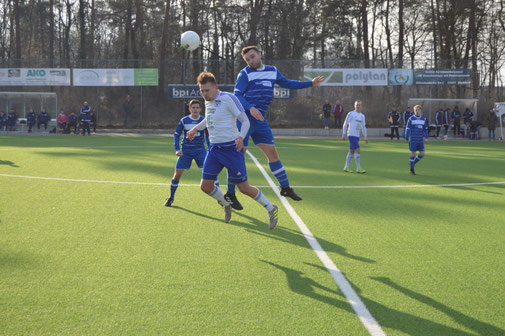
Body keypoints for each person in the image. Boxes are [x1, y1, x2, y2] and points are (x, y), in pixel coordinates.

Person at [226, 45, 324, 209]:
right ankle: (230, 193)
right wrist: (250, 107)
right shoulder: (244, 73)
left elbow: (288, 83)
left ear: (260, 54)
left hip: (260, 120)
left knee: (273, 154)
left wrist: (310, 83)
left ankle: (285, 188)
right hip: (244, 119)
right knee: (238, 157)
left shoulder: (272, 70)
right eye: (247, 59)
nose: (250, 60)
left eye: (252, 56)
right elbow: (237, 95)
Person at [187, 72, 279, 229]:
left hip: (231, 150)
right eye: (202, 91)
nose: (204, 94)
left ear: (216, 87)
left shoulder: (228, 99)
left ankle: (271, 208)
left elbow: (245, 121)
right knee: (205, 186)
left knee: (244, 188)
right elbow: (208, 119)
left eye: (207, 90)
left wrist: (241, 138)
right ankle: (225, 204)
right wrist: (195, 129)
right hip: (215, 150)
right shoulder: (208, 102)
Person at [165, 100, 210, 207]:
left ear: (200, 109)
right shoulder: (184, 120)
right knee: (177, 176)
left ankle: (220, 199)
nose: (195, 109)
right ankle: (171, 197)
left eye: (197, 107)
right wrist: (177, 149)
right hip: (186, 152)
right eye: (193, 107)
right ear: (189, 109)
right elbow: (176, 135)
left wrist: (210, 149)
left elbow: (208, 135)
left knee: (211, 173)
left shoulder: (204, 120)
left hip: (200, 151)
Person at [342, 100, 368, 173]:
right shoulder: (351, 114)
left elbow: (363, 127)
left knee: (351, 151)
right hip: (351, 134)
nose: (358, 106)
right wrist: (344, 133)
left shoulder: (362, 116)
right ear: (354, 106)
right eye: (357, 105)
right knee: (358, 150)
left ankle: (346, 167)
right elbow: (345, 123)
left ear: (361, 106)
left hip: (357, 136)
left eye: (359, 105)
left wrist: (365, 136)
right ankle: (358, 168)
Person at [405, 105, 429, 175]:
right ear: (414, 111)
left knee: (422, 154)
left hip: (420, 140)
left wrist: (426, 137)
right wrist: (406, 137)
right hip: (413, 139)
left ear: (421, 111)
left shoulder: (423, 119)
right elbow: (408, 129)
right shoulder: (411, 119)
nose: (417, 111)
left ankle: (412, 163)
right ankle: (412, 170)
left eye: (418, 110)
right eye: (416, 110)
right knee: (413, 154)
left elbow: (425, 129)